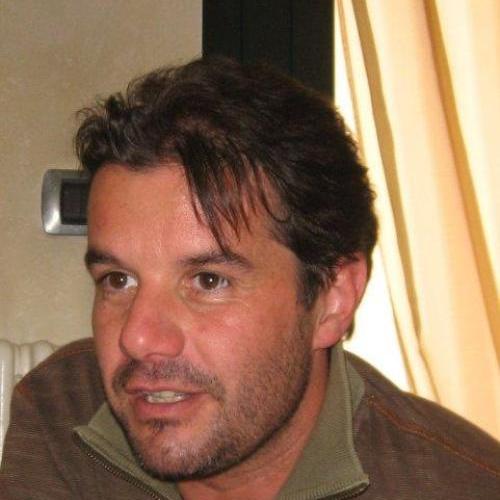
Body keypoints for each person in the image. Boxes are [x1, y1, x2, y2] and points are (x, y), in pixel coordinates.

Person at [1, 57, 498, 500]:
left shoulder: (464, 486)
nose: (138, 337)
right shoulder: (60, 414)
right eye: (117, 280)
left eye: (207, 281)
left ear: (332, 299)